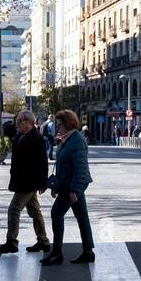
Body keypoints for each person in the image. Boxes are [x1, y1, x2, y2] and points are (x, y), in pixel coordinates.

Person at [0, 109, 51, 255]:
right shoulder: (21, 135)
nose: (18, 124)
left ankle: (11, 242)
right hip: (23, 179)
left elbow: (42, 162)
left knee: (14, 209)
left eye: (20, 121)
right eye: (17, 121)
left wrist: (43, 182)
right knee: (34, 211)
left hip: (28, 181)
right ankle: (43, 241)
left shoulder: (35, 138)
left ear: (29, 122)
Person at [43, 110, 94, 265]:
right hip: (66, 185)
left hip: (71, 187)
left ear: (68, 124)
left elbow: (81, 169)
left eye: (59, 125)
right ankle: (88, 251)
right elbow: (62, 166)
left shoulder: (76, 141)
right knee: (82, 218)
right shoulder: (67, 139)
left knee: (56, 213)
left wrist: (75, 190)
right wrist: (55, 186)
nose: (57, 128)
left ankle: (57, 252)